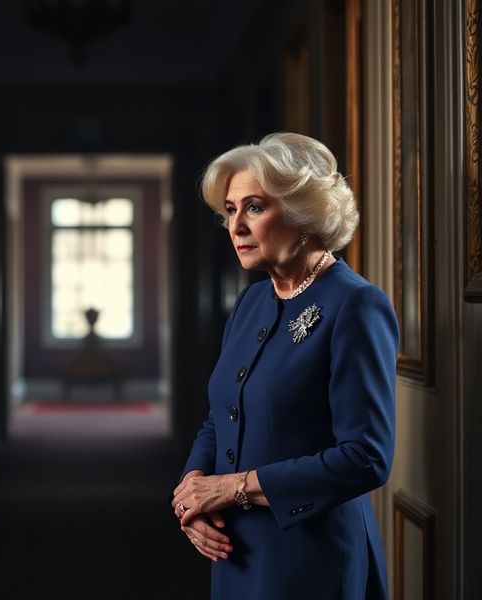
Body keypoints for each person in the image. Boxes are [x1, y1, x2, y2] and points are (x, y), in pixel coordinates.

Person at [171, 132, 397, 599]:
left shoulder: (356, 305)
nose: (236, 226)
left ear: (303, 214)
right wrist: (192, 490)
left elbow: (366, 458)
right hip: (235, 550)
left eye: (254, 207)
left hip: (311, 557)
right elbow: (222, 414)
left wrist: (231, 488)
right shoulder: (252, 301)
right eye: (230, 210)